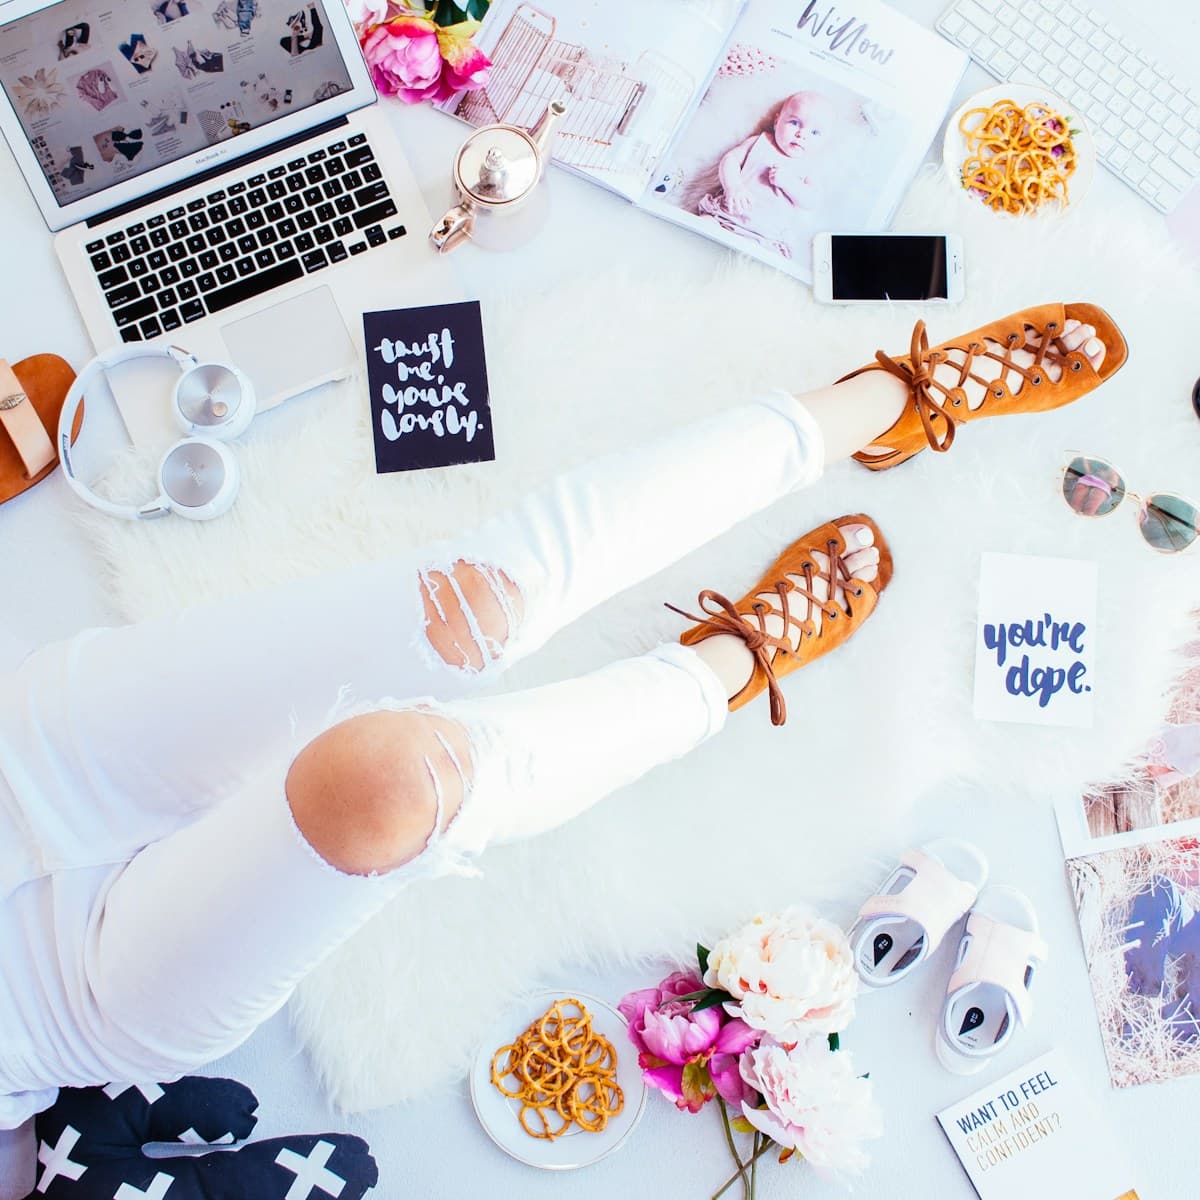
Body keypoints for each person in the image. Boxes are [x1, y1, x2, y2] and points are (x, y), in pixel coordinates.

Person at [0, 306, 1120, 1195]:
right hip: (65, 1004)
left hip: (26, 752)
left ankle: (882, 397)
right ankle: (725, 669)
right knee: (395, 779)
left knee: (473, 601)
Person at [697, 90, 839, 260]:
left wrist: (789, 183)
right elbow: (730, 160)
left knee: (758, 265)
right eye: (794, 123)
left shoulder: (810, 166)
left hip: (765, 238)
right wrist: (733, 187)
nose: (801, 135)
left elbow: (811, 200)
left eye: (814, 133)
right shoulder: (760, 142)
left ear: (824, 141)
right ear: (777, 120)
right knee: (700, 226)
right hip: (725, 219)